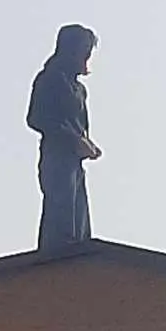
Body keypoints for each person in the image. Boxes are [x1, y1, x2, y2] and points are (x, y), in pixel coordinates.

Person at [27, 24, 100, 252]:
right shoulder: (49, 79)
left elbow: (77, 126)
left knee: (79, 225)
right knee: (61, 223)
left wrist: (86, 143)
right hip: (56, 157)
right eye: (84, 51)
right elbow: (36, 118)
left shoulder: (79, 89)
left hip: (74, 162)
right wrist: (73, 140)